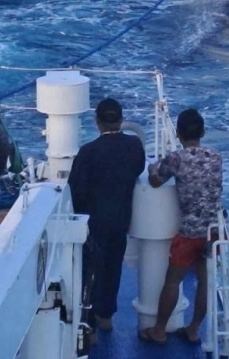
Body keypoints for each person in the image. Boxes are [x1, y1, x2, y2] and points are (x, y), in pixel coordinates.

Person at [138, 108, 223, 346]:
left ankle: (159, 331)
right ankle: (194, 329)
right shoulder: (216, 157)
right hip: (213, 231)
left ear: (178, 134)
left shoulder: (177, 159)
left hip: (189, 232)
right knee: (204, 281)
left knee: (173, 280)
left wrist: (153, 167)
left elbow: (155, 181)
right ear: (203, 132)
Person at [68, 98, 146, 332]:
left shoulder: (88, 152)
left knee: (90, 271)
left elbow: (75, 190)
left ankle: (88, 323)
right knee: (113, 266)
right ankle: (106, 316)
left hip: (94, 220)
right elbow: (138, 168)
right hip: (121, 218)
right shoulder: (134, 146)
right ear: (121, 120)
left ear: (97, 122)